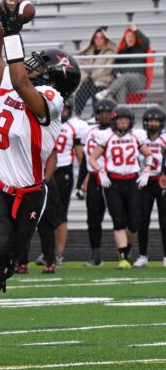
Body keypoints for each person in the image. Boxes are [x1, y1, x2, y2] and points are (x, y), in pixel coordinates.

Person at [0, 0, 80, 358]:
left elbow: (23, 83)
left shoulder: (52, 99)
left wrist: (13, 34)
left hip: (31, 192)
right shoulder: (14, 79)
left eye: (44, 65)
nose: (36, 65)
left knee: (10, 258)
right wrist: (6, 24)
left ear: (55, 78)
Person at [89, 106, 153, 269]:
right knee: (118, 220)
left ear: (130, 122)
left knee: (134, 223)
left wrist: (146, 170)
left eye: (125, 120)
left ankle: (127, 249)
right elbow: (93, 159)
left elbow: (149, 155)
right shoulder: (106, 137)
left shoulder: (136, 137)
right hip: (113, 183)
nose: (123, 123)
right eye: (120, 120)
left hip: (132, 181)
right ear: (114, 122)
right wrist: (101, 171)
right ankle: (123, 256)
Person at [34, 104, 87, 273]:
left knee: (60, 215)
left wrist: (82, 183)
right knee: (43, 216)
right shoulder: (43, 124)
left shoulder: (73, 126)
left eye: (65, 109)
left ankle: (59, 253)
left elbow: (80, 156)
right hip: (41, 170)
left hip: (63, 172)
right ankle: (48, 252)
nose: (62, 112)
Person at [79, 99, 117, 266]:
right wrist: (80, 181)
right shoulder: (88, 131)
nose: (105, 116)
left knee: (120, 216)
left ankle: (125, 252)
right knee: (93, 218)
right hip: (95, 177)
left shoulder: (119, 132)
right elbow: (85, 159)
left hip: (114, 177)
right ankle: (96, 254)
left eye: (108, 113)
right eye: (102, 113)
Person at [135, 107, 166, 267]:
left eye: (156, 121)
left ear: (161, 123)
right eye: (150, 120)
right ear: (145, 122)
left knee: (164, 221)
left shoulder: (164, 139)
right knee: (143, 220)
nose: (153, 123)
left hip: (161, 183)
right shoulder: (140, 138)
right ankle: (143, 255)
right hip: (144, 182)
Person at [99, 25, 151, 104]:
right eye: (128, 36)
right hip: (124, 81)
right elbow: (114, 68)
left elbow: (146, 41)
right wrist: (117, 74)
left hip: (139, 80)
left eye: (132, 36)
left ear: (135, 38)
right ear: (125, 38)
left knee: (126, 75)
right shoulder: (121, 52)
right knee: (121, 87)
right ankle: (122, 111)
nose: (130, 38)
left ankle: (108, 92)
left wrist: (136, 30)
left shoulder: (140, 48)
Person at [74, 27, 117, 117]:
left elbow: (106, 69)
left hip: (102, 81)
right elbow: (82, 67)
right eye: (96, 37)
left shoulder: (110, 52)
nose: (99, 40)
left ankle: (95, 117)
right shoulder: (87, 52)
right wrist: (86, 76)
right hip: (88, 80)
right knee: (80, 93)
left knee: (96, 95)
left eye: (101, 37)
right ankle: (77, 115)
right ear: (93, 39)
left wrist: (92, 76)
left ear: (105, 39)